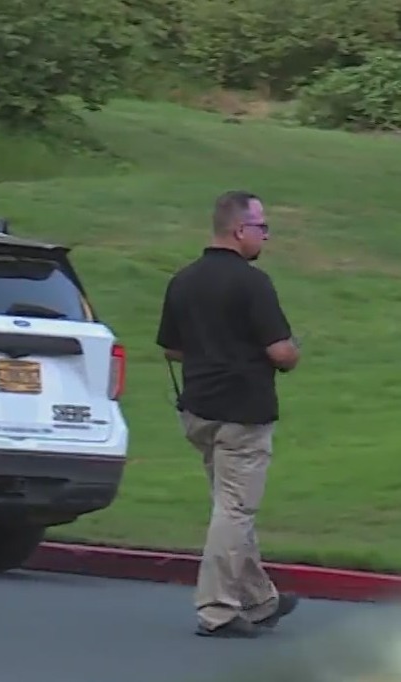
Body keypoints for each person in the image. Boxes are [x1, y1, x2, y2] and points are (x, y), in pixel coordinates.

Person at [155, 190, 302, 639]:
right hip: (244, 413)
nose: (266, 236)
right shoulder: (253, 283)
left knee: (230, 506)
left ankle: (260, 600)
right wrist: (292, 355)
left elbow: (171, 347)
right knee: (236, 509)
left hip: (200, 410)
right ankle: (217, 609)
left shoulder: (184, 280)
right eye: (262, 227)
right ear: (240, 230)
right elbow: (280, 352)